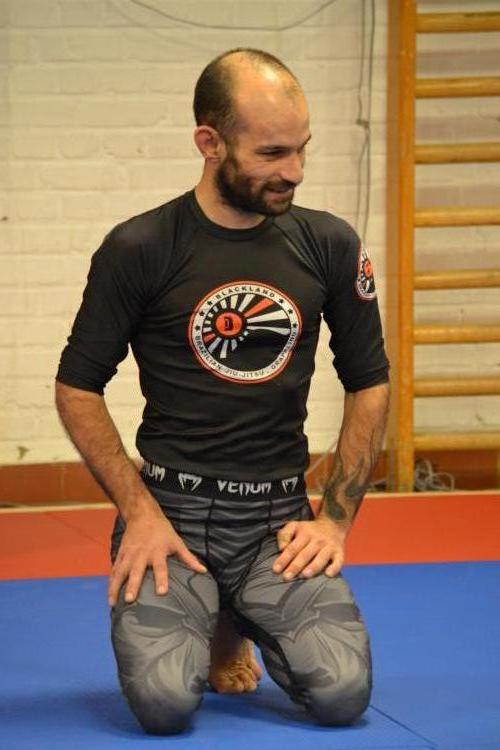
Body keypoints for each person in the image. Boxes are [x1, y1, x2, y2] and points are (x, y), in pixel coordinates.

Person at [55, 48, 390, 735]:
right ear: (210, 143)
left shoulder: (328, 243)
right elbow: (77, 388)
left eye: (301, 148)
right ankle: (208, 611)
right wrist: (139, 513)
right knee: (164, 707)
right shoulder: (141, 247)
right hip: (171, 516)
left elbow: (369, 382)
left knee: (343, 697)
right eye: (271, 153)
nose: (294, 170)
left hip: (275, 522)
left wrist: (334, 520)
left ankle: (236, 610)